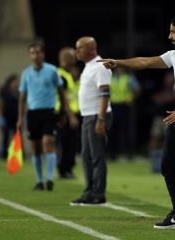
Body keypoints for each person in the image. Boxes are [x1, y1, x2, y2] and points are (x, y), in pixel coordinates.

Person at [100, 14, 175, 230]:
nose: (170, 35)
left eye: (173, 31)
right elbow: (145, 62)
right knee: (167, 167)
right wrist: (118, 63)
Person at [17, 42, 78, 191]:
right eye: (33, 53)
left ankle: (49, 179)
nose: (36, 55)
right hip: (33, 113)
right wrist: (20, 118)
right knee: (36, 149)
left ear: (43, 54)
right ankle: (39, 181)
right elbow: (22, 97)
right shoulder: (26, 73)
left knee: (48, 144)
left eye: (38, 52)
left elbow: (61, 93)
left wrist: (63, 112)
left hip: (49, 113)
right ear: (30, 56)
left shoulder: (52, 71)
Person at [70, 36, 112, 205]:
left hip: (97, 116)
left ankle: (98, 193)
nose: (76, 51)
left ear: (90, 49)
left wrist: (101, 119)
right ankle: (89, 191)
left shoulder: (100, 66)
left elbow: (105, 93)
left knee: (97, 156)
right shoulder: (89, 66)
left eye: (79, 48)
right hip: (88, 115)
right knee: (87, 156)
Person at [55, 47, 81, 179]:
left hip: (70, 113)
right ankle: (64, 169)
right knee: (67, 143)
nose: (75, 58)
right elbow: (63, 98)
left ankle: (67, 169)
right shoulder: (61, 75)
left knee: (72, 143)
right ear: (65, 59)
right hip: (64, 114)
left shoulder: (67, 75)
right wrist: (70, 116)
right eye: (72, 56)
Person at [107, 67, 140, 160]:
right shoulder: (110, 78)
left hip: (124, 106)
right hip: (113, 106)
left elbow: (137, 89)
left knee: (126, 130)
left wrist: (132, 99)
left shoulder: (128, 78)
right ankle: (112, 154)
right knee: (112, 131)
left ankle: (129, 153)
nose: (119, 70)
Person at [0, 74, 20, 159]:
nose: (16, 83)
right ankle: (4, 155)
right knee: (5, 137)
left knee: (16, 136)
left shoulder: (18, 91)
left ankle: (17, 155)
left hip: (16, 118)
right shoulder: (4, 91)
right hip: (6, 117)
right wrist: (1, 117)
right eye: (15, 81)